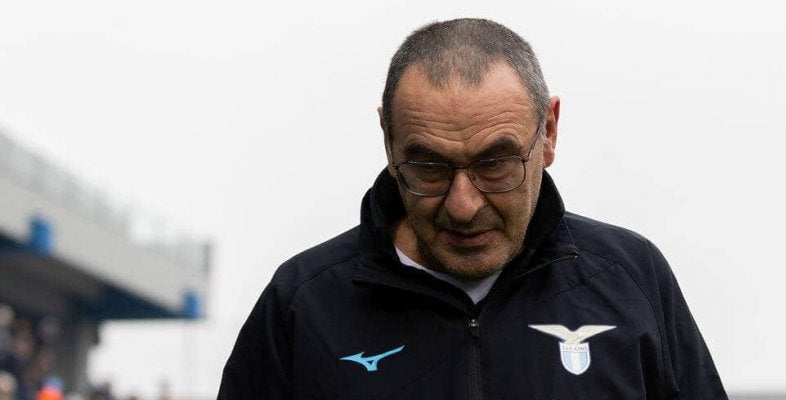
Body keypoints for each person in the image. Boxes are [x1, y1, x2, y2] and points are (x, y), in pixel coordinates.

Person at [219, 18, 727, 399]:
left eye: (495, 164)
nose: (463, 206)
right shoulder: (303, 305)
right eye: (430, 167)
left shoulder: (631, 279)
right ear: (388, 140)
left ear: (549, 132)